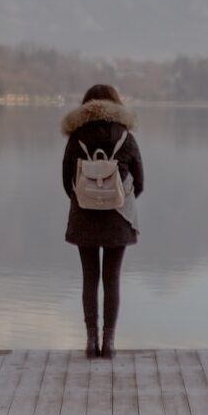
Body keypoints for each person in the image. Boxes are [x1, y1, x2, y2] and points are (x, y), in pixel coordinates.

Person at [61, 84, 143, 358]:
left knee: (90, 278)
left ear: (86, 105)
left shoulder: (77, 136)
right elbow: (140, 181)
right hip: (118, 217)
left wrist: (86, 198)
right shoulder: (125, 136)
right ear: (116, 104)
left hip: (84, 215)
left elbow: (65, 181)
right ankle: (108, 344)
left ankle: (90, 342)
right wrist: (117, 196)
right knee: (112, 278)